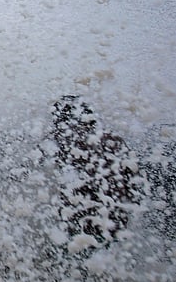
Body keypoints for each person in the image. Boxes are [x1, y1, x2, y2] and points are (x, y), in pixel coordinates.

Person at [49, 95, 140, 247]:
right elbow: (134, 182)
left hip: (82, 222)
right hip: (115, 220)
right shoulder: (113, 140)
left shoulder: (67, 142)